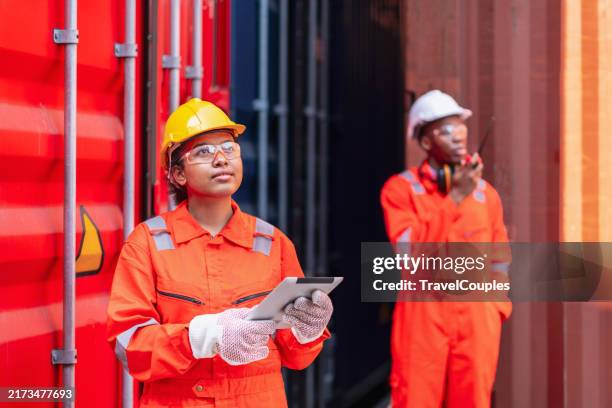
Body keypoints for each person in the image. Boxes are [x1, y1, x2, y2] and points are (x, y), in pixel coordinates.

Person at [107, 98, 333, 407]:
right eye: (203, 152)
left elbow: (296, 357)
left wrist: (308, 330)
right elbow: (130, 347)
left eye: (229, 148)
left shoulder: (273, 243)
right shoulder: (147, 243)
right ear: (178, 175)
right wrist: (207, 336)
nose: (221, 159)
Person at [380, 90, 512, 407]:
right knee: (415, 398)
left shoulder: (485, 195)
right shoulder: (401, 190)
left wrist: (496, 310)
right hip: (423, 316)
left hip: (477, 318)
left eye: (460, 126)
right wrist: (453, 200)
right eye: (444, 129)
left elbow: (500, 258)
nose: (457, 136)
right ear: (425, 142)